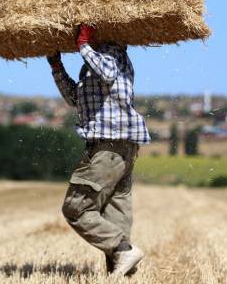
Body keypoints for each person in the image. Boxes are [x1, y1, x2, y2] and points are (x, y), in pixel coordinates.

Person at [46, 24, 150, 276]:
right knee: (116, 211)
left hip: (107, 147)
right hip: (122, 148)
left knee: (76, 208)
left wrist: (83, 44)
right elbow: (75, 98)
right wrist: (57, 67)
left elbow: (107, 71)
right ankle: (123, 271)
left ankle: (123, 250)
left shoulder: (111, 52)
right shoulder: (92, 63)